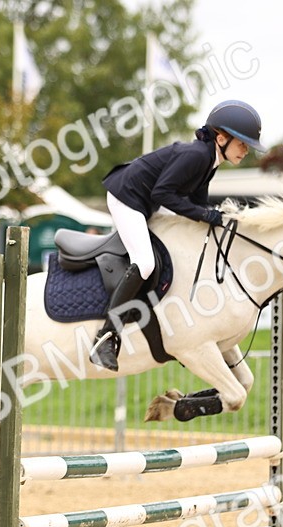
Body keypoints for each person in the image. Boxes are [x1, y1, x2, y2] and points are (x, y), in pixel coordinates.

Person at [90, 99, 264, 371]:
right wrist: (205, 215)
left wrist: (218, 218)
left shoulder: (210, 160)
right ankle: (106, 339)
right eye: (242, 143)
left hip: (146, 201)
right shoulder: (197, 156)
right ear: (221, 138)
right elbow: (163, 194)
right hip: (127, 198)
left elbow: (197, 203)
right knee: (145, 263)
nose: (246, 150)